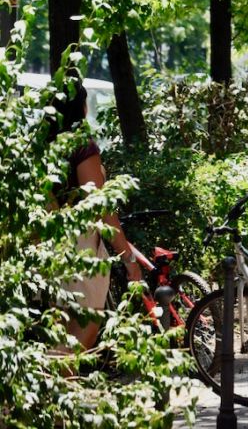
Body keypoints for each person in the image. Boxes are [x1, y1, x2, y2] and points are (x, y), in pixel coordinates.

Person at [52, 84, 142, 348]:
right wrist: (128, 258)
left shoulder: (43, 147)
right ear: (82, 108)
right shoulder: (82, 147)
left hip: (45, 243)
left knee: (55, 335)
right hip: (80, 248)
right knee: (80, 338)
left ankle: (55, 387)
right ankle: (65, 387)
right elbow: (100, 208)